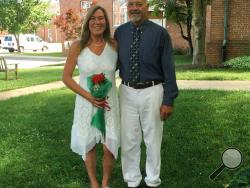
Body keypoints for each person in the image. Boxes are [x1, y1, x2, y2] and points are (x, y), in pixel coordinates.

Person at [114, 0, 178, 187]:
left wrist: (169, 99)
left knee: (152, 138)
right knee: (129, 138)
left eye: (139, 4)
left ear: (146, 6)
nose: (134, 8)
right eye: (131, 4)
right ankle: (132, 179)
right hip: (126, 91)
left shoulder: (160, 34)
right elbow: (114, 62)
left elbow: (169, 68)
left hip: (153, 90)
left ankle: (152, 180)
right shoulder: (121, 32)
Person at [63, 5, 120, 188]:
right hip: (86, 102)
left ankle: (105, 183)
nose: (97, 22)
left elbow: (115, 69)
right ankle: (94, 182)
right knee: (90, 144)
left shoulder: (114, 45)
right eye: (93, 18)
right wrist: (89, 96)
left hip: (109, 103)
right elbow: (66, 77)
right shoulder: (77, 47)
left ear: (106, 22)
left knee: (109, 145)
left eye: (101, 18)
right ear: (88, 22)